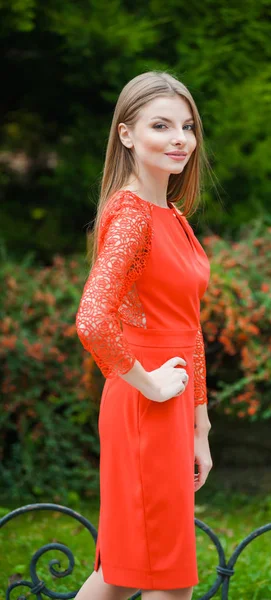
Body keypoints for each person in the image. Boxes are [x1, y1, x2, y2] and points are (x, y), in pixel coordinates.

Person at [74, 71, 213, 600]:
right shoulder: (132, 216)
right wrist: (148, 385)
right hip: (145, 402)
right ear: (126, 134)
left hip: (172, 404)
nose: (180, 138)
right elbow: (93, 319)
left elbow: (189, 329)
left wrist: (200, 425)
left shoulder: (173, 214)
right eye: (162, 125)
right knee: (161, 576)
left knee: (129, 573)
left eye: (187, 126)